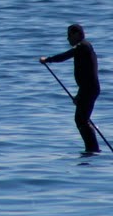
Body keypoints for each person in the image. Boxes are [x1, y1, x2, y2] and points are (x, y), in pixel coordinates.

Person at [40, 24, 101, 153]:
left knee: (81, 120)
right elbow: (85, 77)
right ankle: (92, 149)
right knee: (81, 119)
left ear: (78, 34)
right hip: (87, 88)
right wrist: (79, 95)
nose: (67, 38)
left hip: (89, 89)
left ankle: (93, 150)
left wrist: (48, 60)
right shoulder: (82, 48)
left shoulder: (83, 46)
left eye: (69, 35)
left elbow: (66, 56)